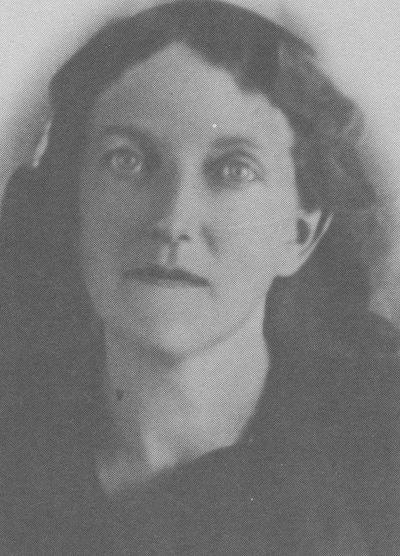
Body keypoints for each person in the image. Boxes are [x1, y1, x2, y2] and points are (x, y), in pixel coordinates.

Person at [1, 0, 400, 553]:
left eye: (233, 169)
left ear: (299, 234)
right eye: (127, 160)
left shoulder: (375, 478)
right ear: (73, 206)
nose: (173, 220)